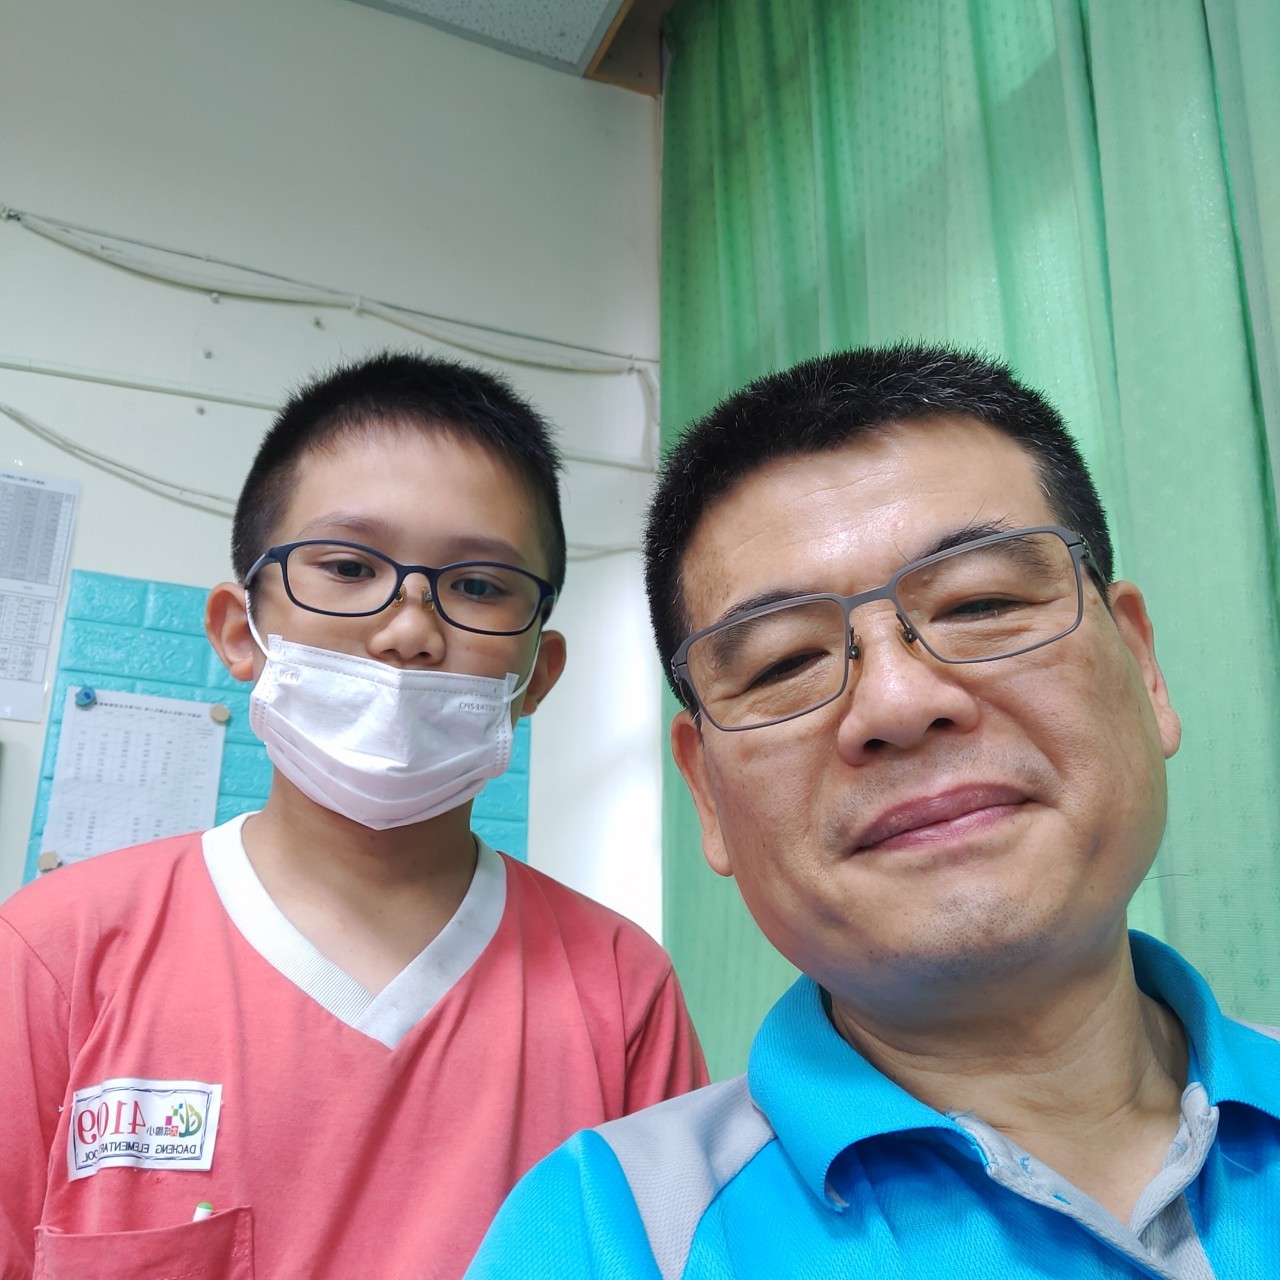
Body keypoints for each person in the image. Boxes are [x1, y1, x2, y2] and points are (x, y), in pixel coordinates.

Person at [467, 344, 1280, 1278]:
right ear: (707, 794)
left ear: (1141, 665)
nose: (897, 703)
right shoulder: (607, 1236)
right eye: (784, 662)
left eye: (980, 603)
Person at [0, 351, 707, 1280]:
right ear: (239, 632)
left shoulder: (619, 990)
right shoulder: (52, 957)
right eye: (346, 566)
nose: (409, 629)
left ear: (537, 676)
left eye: (480, 586)